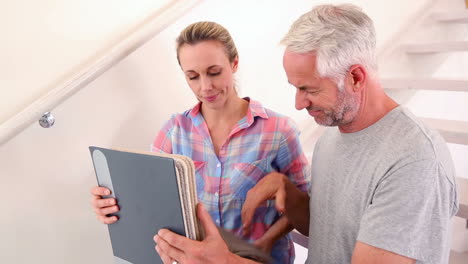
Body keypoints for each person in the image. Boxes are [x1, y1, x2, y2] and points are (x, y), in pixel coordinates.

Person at [155, 4, 459, 264]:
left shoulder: (412, 162)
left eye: (308, 89)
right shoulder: (332, 137)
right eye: (295, 87)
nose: (298, 104)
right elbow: (324, 229)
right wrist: (288, 191)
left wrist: (226, 260)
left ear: (355, 77)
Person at [90, 21, 310, 264]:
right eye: (193, 76)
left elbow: (305, 207)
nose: (205, 87)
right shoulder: (174, 131)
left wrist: (267, 240)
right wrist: (114, 205)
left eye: (214, 72)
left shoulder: (279, 131)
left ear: (234, 63)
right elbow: (152, 199)